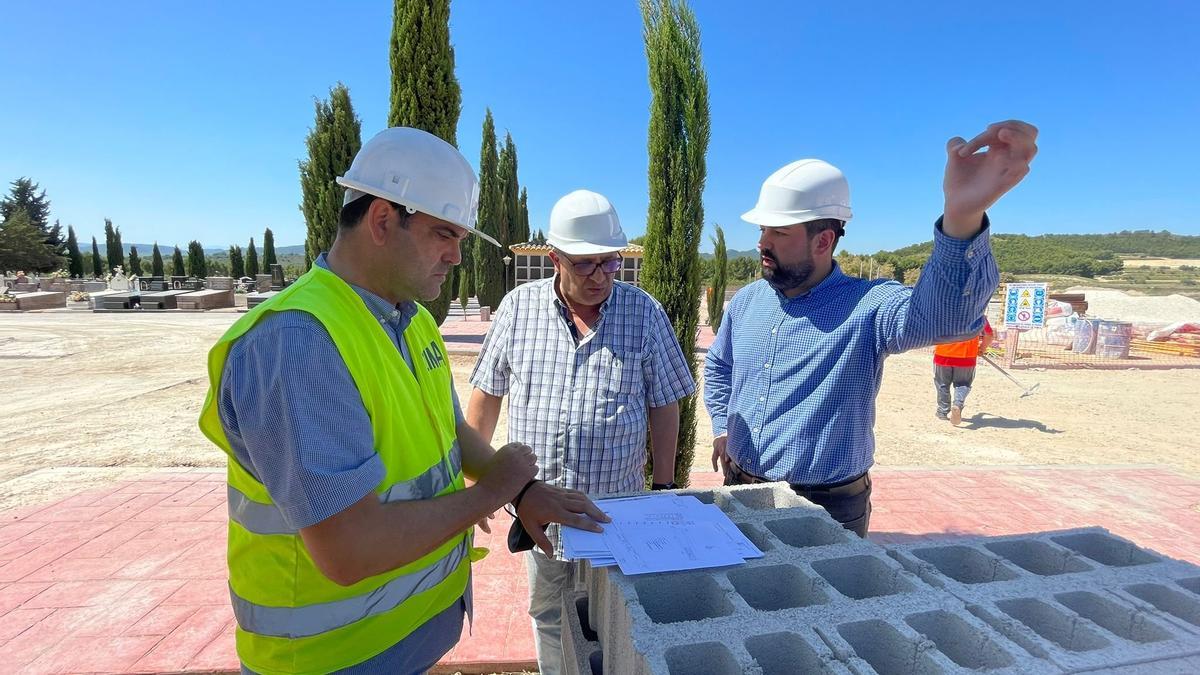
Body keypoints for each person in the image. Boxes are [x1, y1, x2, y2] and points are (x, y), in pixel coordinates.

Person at [198, 127, 607, 674]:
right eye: (444, 234)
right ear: (383, 220)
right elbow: (349, 550)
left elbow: (447, 432)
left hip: (405, 639)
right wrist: (493, 492)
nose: (456, 257)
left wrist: (523, 490)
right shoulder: (297, 341)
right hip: (331, 657)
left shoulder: (410, 319)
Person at [705, 120, 1038, 537]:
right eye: (762, 230)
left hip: (824, 506)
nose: (761, 242)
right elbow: (719, 369)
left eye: (779, 231)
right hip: (739, 488)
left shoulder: (868, 305)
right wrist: (722, 426)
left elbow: (947, 320)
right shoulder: (749, 301)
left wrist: (962, 214)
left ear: (823, 241)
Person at [467, 189, 695, 675]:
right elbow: (486, 396)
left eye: (609, 263)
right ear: (555, 258)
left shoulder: (644, 313)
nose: (600, 277)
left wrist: (665, 486)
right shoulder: (517, 309)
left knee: (618, 620)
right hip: (539, 509)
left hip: (616, 514)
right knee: (551, 614)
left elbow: (665, 404)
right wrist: (477, 486)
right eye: (585, 264)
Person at [934, 317, 995, 425]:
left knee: (942, 384)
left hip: (942, 356)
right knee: (963, 384)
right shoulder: (978, 316)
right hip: (966, 358)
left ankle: (942, 412)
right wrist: (982, 348)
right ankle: (957, 404)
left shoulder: (943, 313)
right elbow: (989, 335)